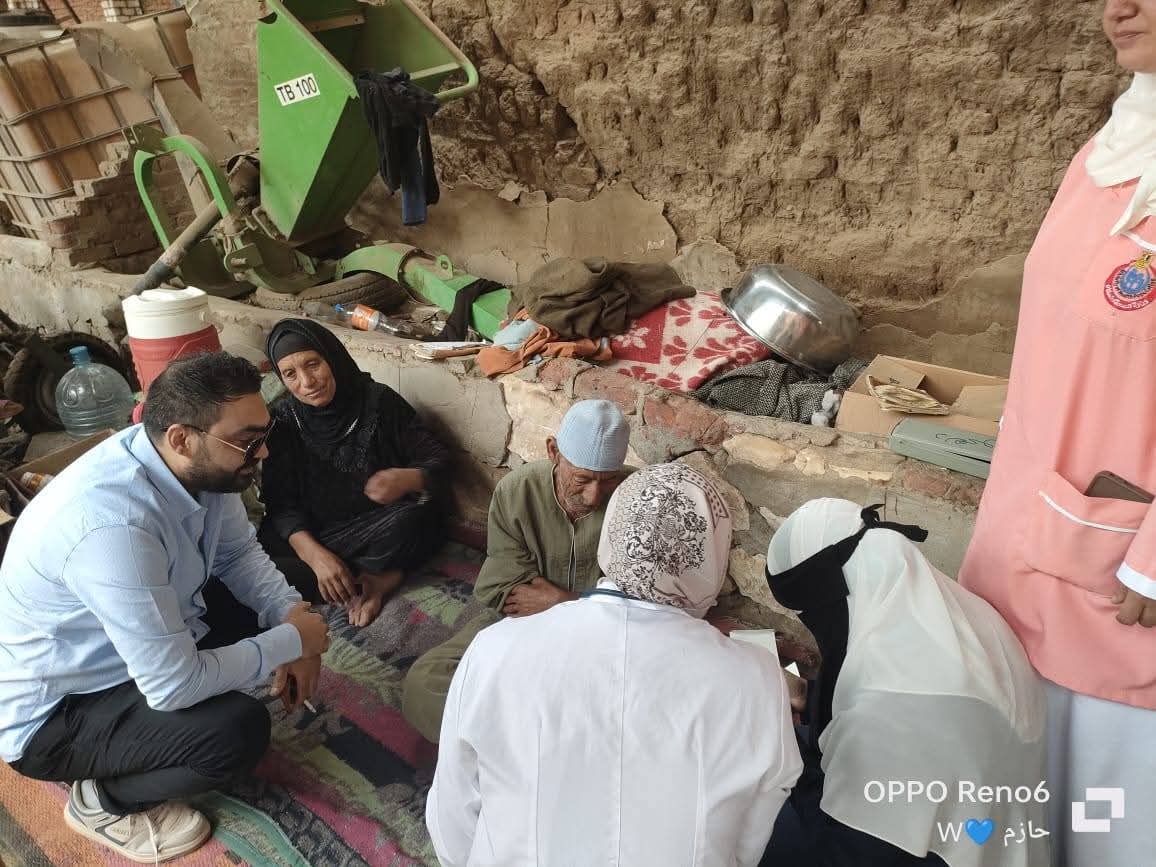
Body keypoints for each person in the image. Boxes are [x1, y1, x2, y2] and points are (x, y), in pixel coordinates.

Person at [0, 351, 331, 864]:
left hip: (127, 644)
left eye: (263, 434)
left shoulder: (196, 466)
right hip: (59, 713)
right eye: (248, 441)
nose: (262, 452)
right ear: (181, 438)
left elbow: (237, 554)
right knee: (234, 733)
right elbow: (173, 685)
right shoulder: (112, 527)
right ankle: (103, 802)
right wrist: (290, 641)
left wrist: (291, 620)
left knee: (288, 590)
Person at [959, 2, 1156, 862]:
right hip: (1031, 551)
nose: (1118, 8)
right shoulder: (1110, 153)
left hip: (1123, 597)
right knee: (1031, 827)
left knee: (1109, 830)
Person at [426, 463, 802, 866]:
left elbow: (453, 820)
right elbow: (748, 842)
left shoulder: (495, 649)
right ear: (711, 552)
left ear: (613, 536)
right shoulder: (758, 680)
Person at [761, 499, 1048, 867]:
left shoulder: (890, 711)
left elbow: (845, 850)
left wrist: (776, 751)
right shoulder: (964, 617)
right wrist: (807, 694)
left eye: (810, 611)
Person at [401, 399, 631, 742]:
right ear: (553, 451)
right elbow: (506, 585)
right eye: (582, 478)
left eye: (609, 480)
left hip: (603, 636)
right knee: (426, 683)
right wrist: (571, 604)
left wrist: (567, 601)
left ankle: (515, 741)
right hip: (520, 620)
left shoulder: (636, 498)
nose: (594, 496)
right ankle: (530, 740)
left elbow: (645, 601)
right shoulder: (517, 490)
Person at [259, 318, 452, 627]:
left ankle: (378, 579)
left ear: (332, 357)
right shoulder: (283, 422)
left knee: (422, 517)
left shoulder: (379, 401)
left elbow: (439, 460)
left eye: (313, 364)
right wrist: (317, 558)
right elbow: (281, 505)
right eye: (290, 374)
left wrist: (408, 478)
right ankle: (362, 575)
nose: (307, 382)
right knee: (261, 558)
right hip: (319, 536)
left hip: (379, 526)